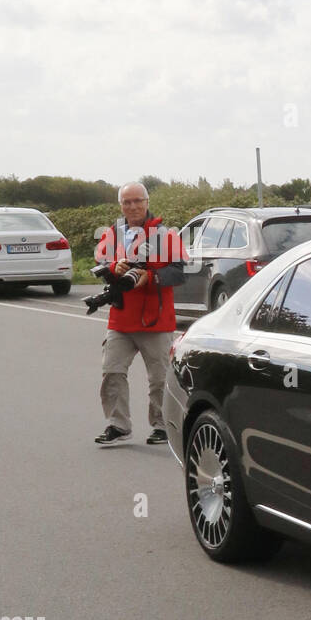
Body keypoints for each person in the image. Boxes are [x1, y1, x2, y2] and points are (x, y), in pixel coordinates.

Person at [93, 182, 188, 446]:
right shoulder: (111, 234)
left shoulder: (166, 235)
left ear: (147, 202)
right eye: (127, 202)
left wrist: (151, 277)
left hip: (155, 320)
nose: (133, 206)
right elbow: (100, 266)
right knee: (111, 371)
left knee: (159, 379)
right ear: (120, 205)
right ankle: (118, 425)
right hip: (121, 319)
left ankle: (162, 426)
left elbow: (180, 272)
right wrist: (114, 266)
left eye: (137, 201)